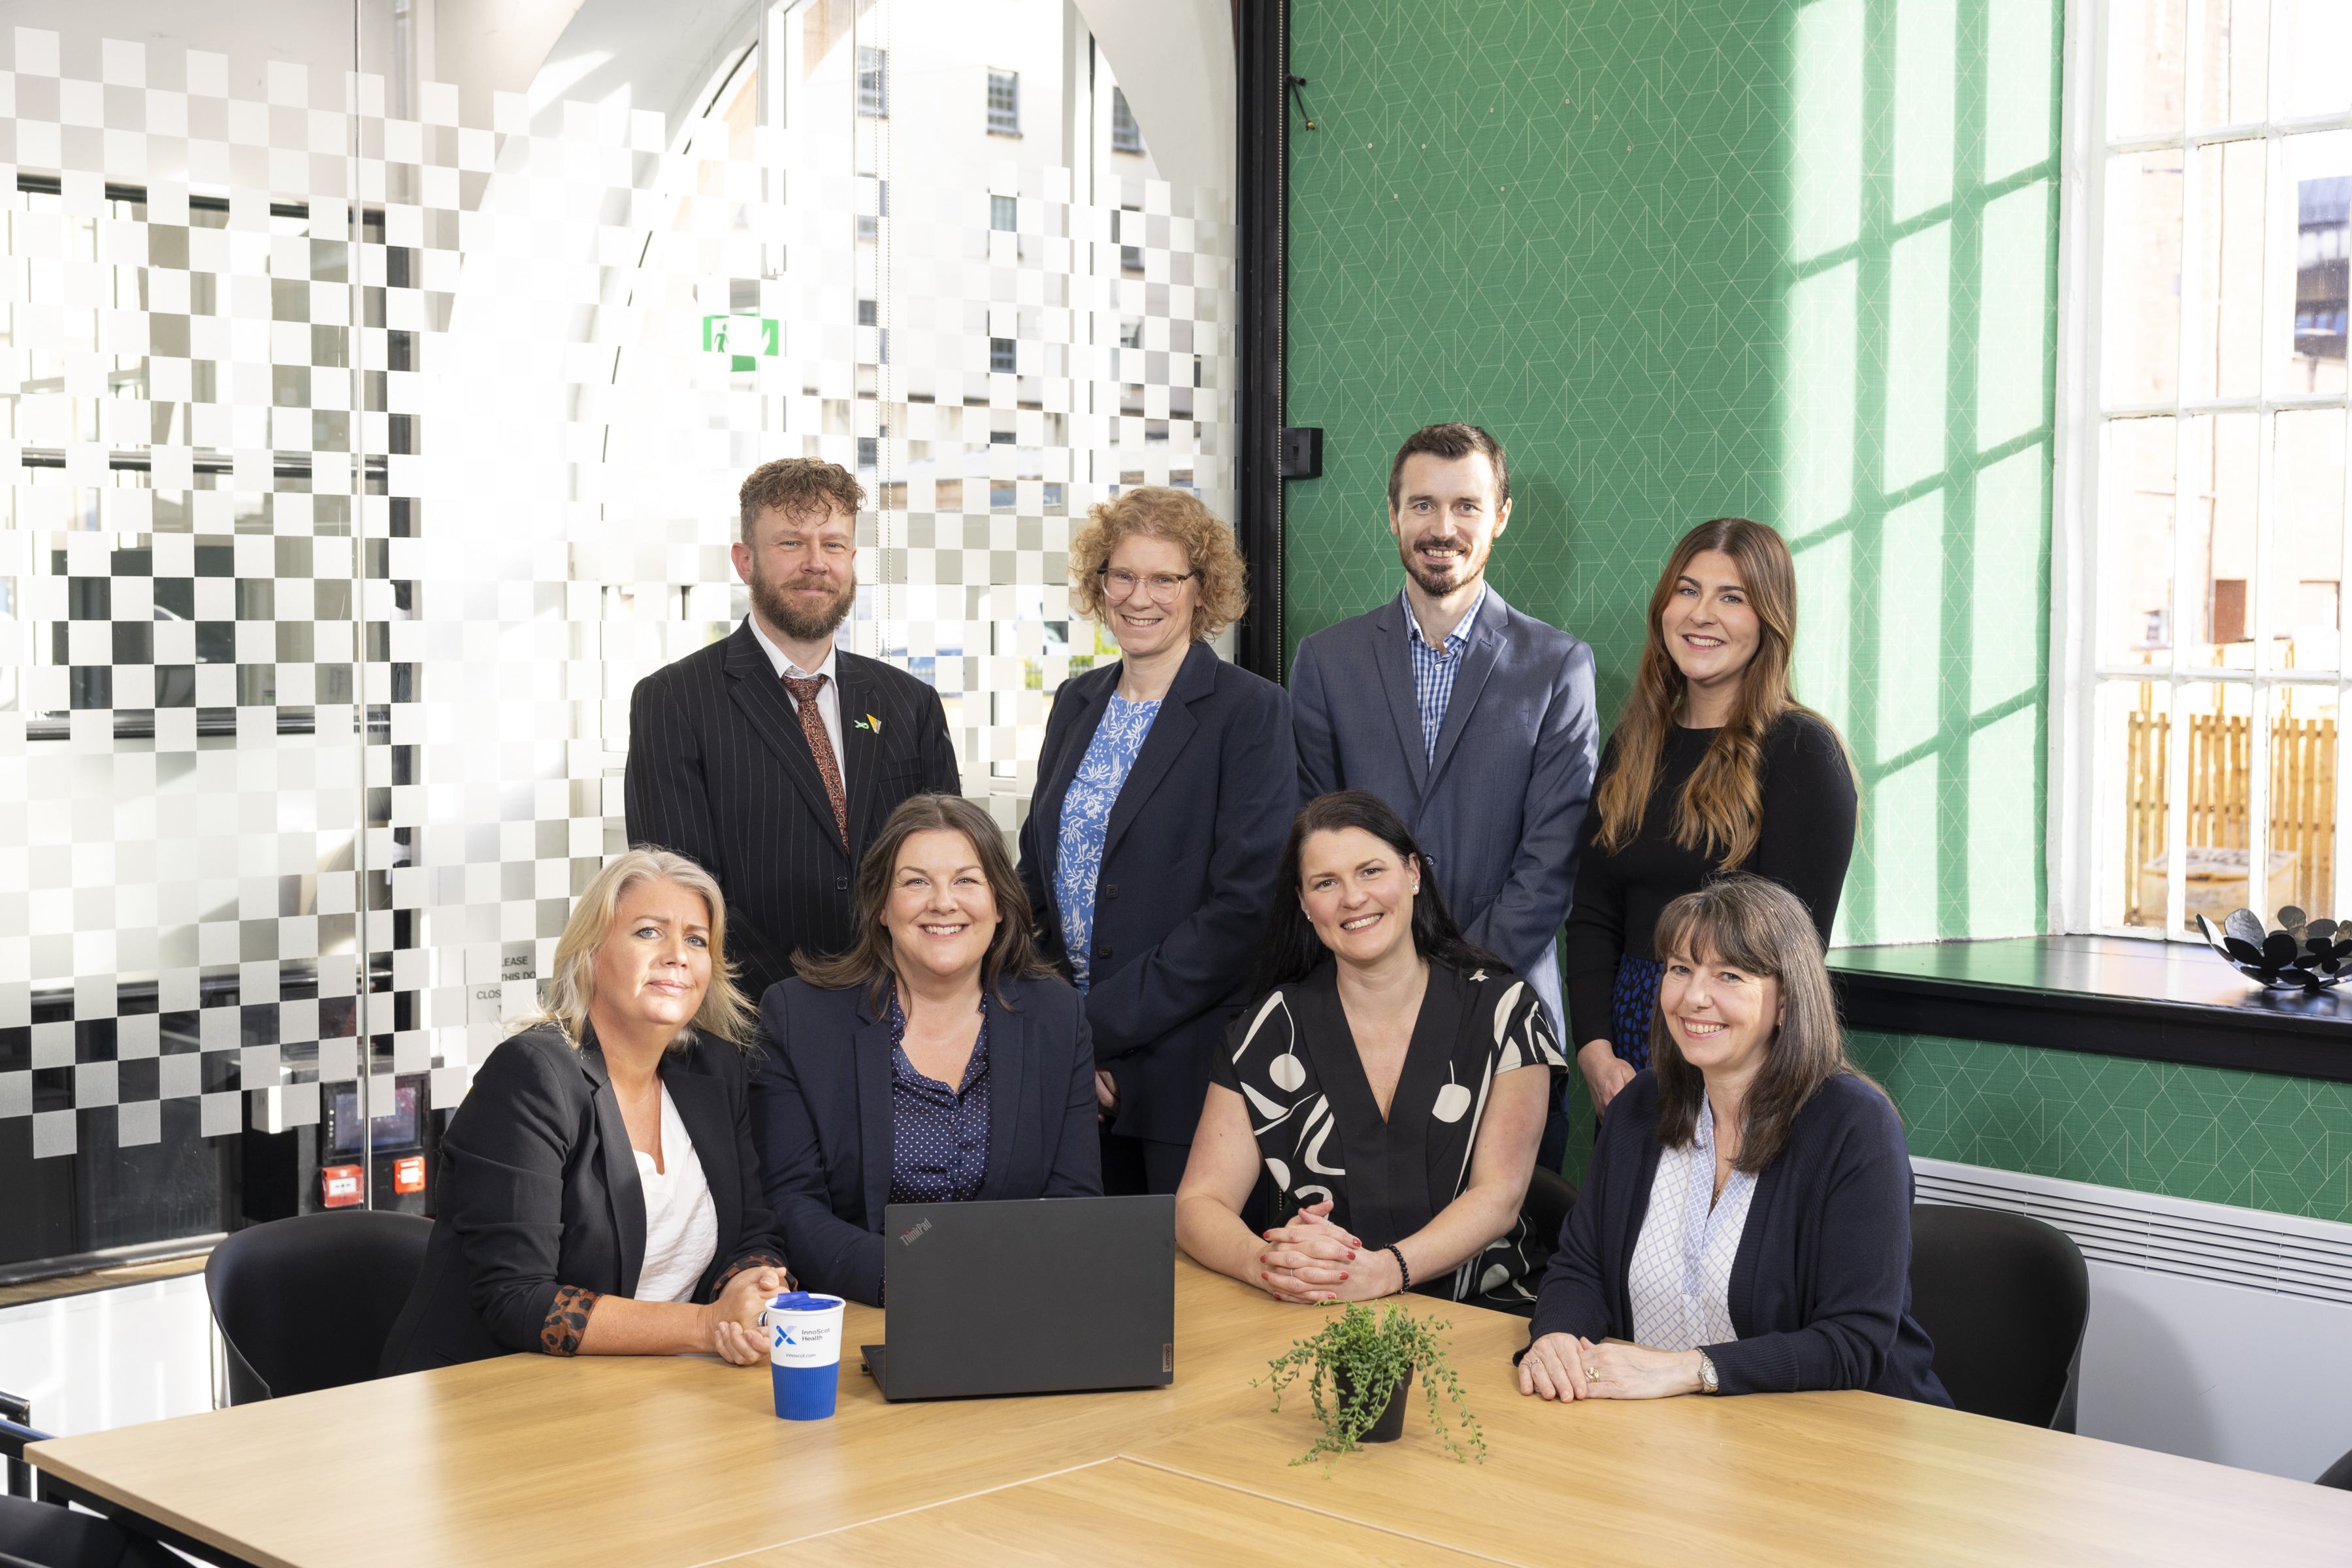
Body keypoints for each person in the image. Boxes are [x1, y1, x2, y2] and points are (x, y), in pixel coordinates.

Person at [1517, 874, 1947, 1404]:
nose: (1695, 996)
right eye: (1680, 969)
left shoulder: (1855, 1126)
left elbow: (1852, 1342)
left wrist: (1690, 1370)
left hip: (1842, 1439)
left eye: (1729, 975)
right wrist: (1557, 1335)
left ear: (1786, 1002)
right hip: (1669, 1441)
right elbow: (1582, 1267)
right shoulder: (1638, 1107)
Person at [1288, 423, 1595, 1162]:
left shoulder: (1558, 666)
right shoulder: (1326, 662)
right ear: (1392, 515)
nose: (1442, 527)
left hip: (1506, 1027)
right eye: (1422, 505)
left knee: (1505, 1263)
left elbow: (1551, 860)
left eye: (1466, 506)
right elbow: (1311, 841)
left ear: (1500, 516)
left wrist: (1443, 986)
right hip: (1355, 1023)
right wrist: (1388, 982)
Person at [381, 849, 788, 1375]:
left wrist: (755, 1288)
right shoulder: (533, 1075)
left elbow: (754, 1232)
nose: (677, 955)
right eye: (649, 932)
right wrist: (706, 1326)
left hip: (659, 1391)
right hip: (493, 1396)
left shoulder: (715, 1069)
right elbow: (518, 1299)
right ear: (591, 953)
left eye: (696, 939)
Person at [1175, 791, 1565, 1313]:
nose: (1352, 898)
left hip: (1487, 1312)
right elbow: (1199, 1203)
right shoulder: (1266, 1029)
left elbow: (1500, 1198)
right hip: (1323, 1313)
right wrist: (1267, 1263)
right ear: (1303, 904)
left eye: (1370, 871)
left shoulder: (1505, 1011)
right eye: (1326, 883)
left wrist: (1386, 1271)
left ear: (1413, 874)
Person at [1017, 487, 1294, 1197]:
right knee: (1081, 1292)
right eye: (1122, 575)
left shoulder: (1251, 712)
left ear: (1203, 591)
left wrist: (1090, 1031)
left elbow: (1242, 913)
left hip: (1187, 1073)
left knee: (1191, 1300)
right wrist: (1056, 1029)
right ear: (1099, 583)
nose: (1140, 597)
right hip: (1069, 1079)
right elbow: (1034, 885)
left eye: (1165, 578)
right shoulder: (1075, 704)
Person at [626, 458, 962, 1007]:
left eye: (832, 545)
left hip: (903, 1006)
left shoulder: (909, 703)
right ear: (744, 561)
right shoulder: (675, 701)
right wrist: (799, 1006)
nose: (815, 563)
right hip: (753, 1020)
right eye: (790, 544)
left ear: (851, 560)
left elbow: (946, 864)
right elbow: (679, 893)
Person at [752, 792, 1100, 1306]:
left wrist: (1001, 1283)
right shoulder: (797, 1018)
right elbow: (791, 1205)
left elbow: (1075, 1199)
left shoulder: (1058, 1017)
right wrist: (908, 1277)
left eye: (967, 880)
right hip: (862, 1313)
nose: (943, 902)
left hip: (1014, 1307)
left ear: (1000, 904)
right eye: (916, 882)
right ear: (882, 909)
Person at [1563, 517, 1859, 1117]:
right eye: (1688, 590)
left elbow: (1788, 957)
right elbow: (1593, 913)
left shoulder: (1803, 751)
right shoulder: (1634, 744)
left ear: (1769, 620)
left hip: (1737, 1049)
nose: (1702, 614)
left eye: (1733, 598)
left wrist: (1721, 1067)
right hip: (1626, 1047)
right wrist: (1595, 1051)